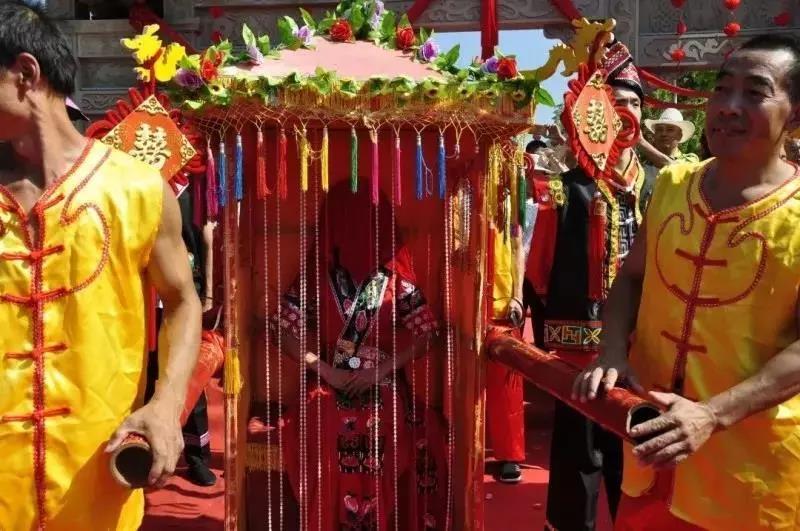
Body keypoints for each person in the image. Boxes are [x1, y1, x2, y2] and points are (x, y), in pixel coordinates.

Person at [574, 34, 800, 529]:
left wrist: (712, 414)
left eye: (755, 92)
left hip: (750, 471)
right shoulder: (674, 185)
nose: (729, 106)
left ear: (795, 115)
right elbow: (632, 277)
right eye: (721, 89)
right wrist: (611, 351)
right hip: (649, 453)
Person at [0, 2, 201, 529]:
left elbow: (183, 301)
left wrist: (166, 405)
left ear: (25, 74)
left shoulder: (138, 189)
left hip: (96, 485)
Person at [273, 180, 447, 530]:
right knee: (324, 418)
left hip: (382, 379)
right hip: (328, 378)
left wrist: (382, 369)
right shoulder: (317, 275)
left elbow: (429, 333)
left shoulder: (395, 278)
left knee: (383, 417)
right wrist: (326, 371)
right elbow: (281, 330)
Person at [527, 41, 649, 531]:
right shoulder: (566, 187)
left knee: (637, 452)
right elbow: (540, 269)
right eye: (616, 102)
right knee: (579, 451)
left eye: (635, 102)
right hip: (581, 344)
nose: (627, 112)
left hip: (647, 344)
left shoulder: (661, 185)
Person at [144, 189, 217, 487]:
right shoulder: (131, 182)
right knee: (144, 373)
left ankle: (197, 455)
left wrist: (208, 292)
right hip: (140, 298)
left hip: (182, 289)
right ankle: (144, 451)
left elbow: (206, 238)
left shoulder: (188, 187)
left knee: (187, 375)